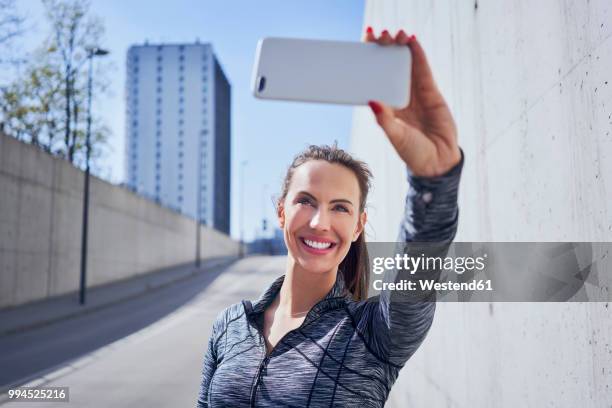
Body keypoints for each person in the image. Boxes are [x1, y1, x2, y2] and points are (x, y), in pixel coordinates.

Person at [196, 27, 464, 408]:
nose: (320, 222)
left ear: (358, 226)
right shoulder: (229, 327)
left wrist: (434, 179)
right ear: (280, 211)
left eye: (340, 207)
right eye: (306, 200)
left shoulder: (374, 334)